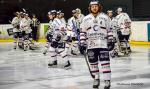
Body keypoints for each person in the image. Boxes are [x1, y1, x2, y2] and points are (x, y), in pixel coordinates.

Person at [80, 1, 114, 89]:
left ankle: (107, 80)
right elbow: (83, 32)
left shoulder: (105, 17)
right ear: (90, 8)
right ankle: (96, 78)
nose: (94, 8)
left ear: (99, 7)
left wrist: (111, 40)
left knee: (105, 63)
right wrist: (82, 43)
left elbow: (109, 29)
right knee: (93, 64)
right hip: (91, 45)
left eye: (96, 6)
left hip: (103, 44)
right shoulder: (85, 19)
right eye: (92, 6)